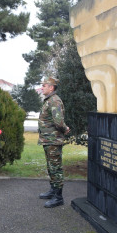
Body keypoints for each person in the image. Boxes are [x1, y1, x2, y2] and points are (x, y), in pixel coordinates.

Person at [38, 77, 70, 208]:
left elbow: (59, 122)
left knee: (55, 168)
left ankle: (58, 197)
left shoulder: (55, 101)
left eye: (44, 85)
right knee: (51, 167)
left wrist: (65, 128)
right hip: (48, 139)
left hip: (53, 140)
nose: (42, 87)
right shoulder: (49, 100)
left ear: (51, 87)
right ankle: (53, 190)